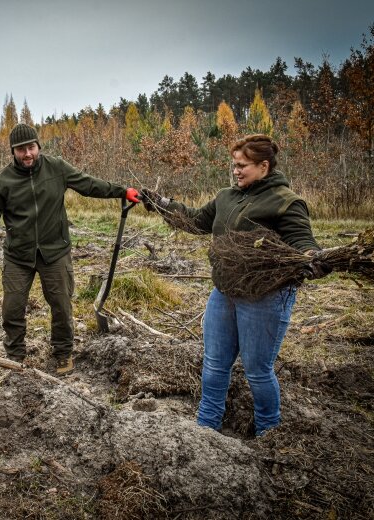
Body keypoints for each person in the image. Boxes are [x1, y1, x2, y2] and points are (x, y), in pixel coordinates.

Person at [140, 134, 331, 437]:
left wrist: (313, 258)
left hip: (264, 297)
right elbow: (195, 221)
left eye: (242, 166)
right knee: (215, 363)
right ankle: (207, 427)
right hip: (225, 292)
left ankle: (269, 433)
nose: (236, 171)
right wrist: (160, 203)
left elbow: (303, 243)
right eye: (234, 165)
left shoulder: (286, 203)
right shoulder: (226, 197)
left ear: (264, 166)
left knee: (257, 371)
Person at [0, 123, 140, 376]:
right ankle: (15, 357)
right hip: (18, 256)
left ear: (38, 146)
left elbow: (88, 184)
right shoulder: (2, 181)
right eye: (20, 150)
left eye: (31, 147)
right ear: (13, 152)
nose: (27, 154)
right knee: (12, 308)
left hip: (55, 251)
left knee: (61, 304)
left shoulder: (56, 168)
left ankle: (62, 353)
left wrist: (121, 191)